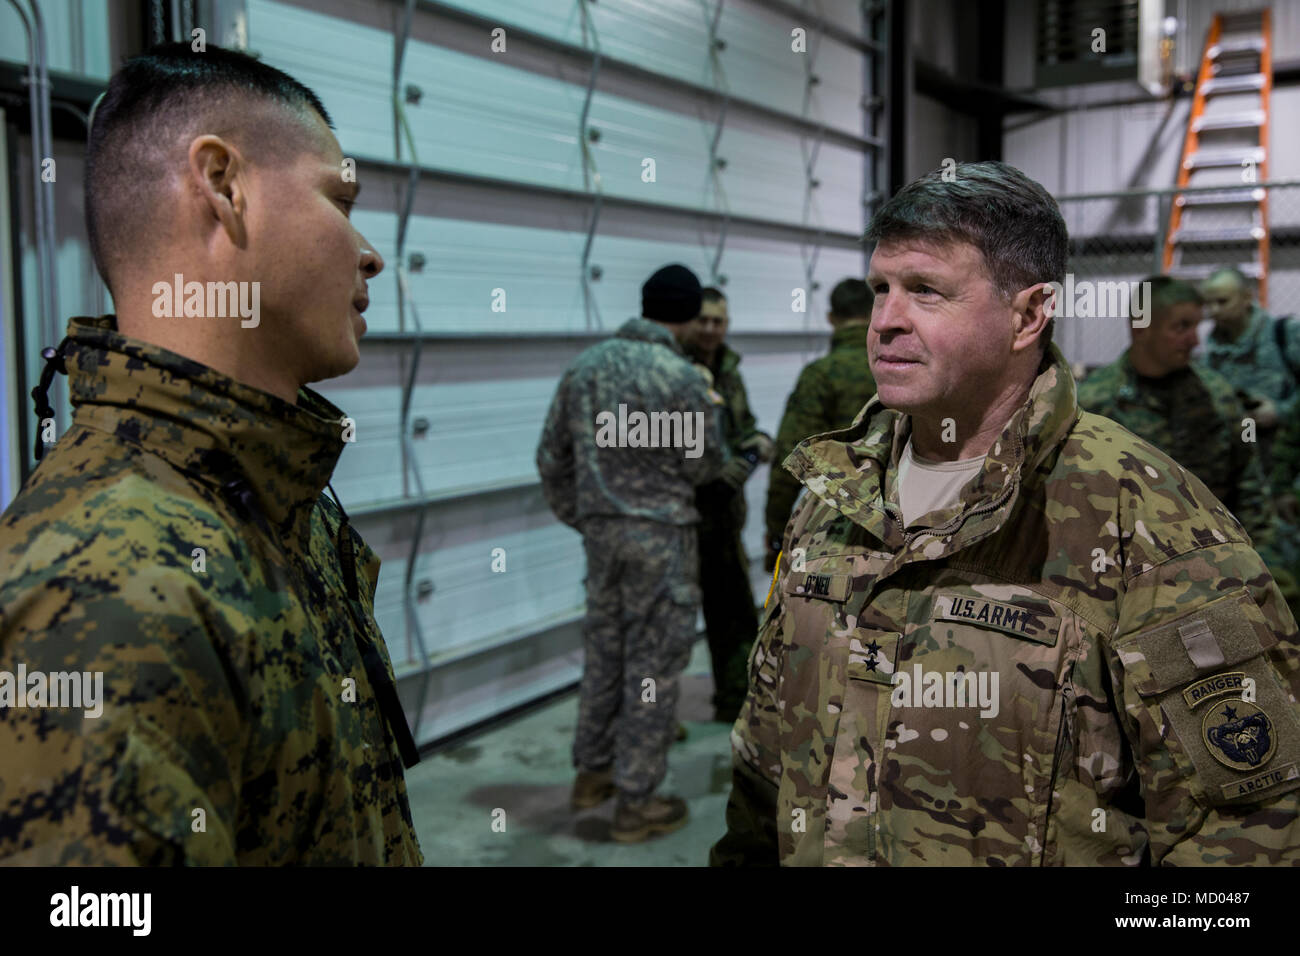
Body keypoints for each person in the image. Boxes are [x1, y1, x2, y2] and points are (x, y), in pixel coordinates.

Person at [709, 161, 1300, 867]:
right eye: (880, 289)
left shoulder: (1146, 519)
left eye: (926, 291)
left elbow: (1251, 828)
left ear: (1027, 315)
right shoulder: (834, 493)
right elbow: (764, 757)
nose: (886, 321)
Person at [0, 44, 422, 865]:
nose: (369, 252)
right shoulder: (100, 590)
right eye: (340, 199)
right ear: (225, 187)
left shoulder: (263, 495)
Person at [536, 263, 726, 842]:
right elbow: (704, 465)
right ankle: (637, 802)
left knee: (605, 651)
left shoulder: (585, 368)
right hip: (662, 540)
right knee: (654, 667)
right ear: (690, 315)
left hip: (604, 540)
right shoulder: (682, 377)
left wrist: (590, 517)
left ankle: (591, 774)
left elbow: (551, 459)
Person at [1076, 277, 1275, 547]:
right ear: (1141, 328)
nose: (1194, 341)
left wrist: (1263, 562)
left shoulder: (1216, 394)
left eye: (1197, 326)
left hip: (1215, 557)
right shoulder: (1095, 403)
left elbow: (1249, 480)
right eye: (1182, 327)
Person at [678, 287, 774, 724]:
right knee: (667, 625)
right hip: (679, 519)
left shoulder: (729, 368)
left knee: (733, 613)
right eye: (705, 320)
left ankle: (735, 701)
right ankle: (654, 716)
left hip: (723, 516)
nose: (713, 329)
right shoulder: (674, 371)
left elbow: (745, 427)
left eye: (720, 320)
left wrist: (756, 446)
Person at [764, 278, 876, 573]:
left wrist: (775, 527)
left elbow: (789, 459)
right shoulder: (896, 369)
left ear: (831, 318)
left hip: (838, 524)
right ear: (874, 312)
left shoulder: (820, 375)